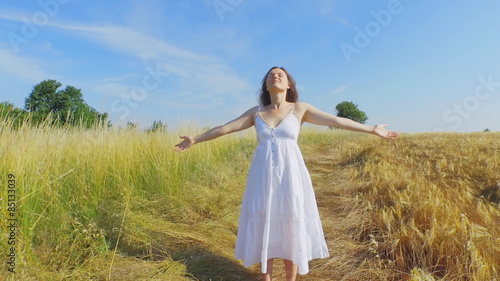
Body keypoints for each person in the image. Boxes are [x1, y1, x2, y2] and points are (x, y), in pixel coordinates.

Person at [174, 66, 399, 281]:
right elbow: (225, 128)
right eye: (271, 75)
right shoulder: (256, 113)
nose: (275, 77)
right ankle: (267, 278)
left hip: (291, 174)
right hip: (262, 176)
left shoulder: (300, 109)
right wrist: (195, 139)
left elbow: (336, 121)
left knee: (292, 219)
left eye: (280, 74)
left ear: (289, 84)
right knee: (265, 220)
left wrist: (371, 129)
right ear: (265, 86)